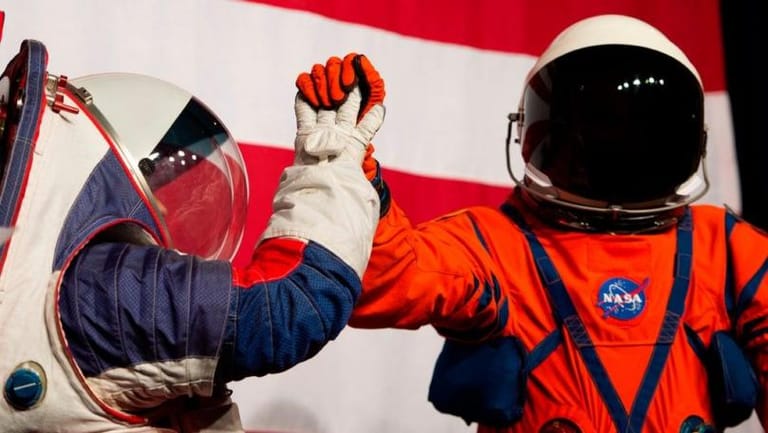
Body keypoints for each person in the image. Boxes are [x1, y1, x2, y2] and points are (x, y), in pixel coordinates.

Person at [296, 14, 768, 433]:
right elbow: (385, 280)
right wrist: (350, 169)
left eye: (635, 130)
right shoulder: (498, 245)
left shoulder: (725, 251)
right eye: (598, 126)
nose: (615, 148)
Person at [0, 22, 385, 433]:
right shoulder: (102, 289)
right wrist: (333, 157)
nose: (165, 204)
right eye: (157, 182)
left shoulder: (49, 260)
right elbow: (292, 307)